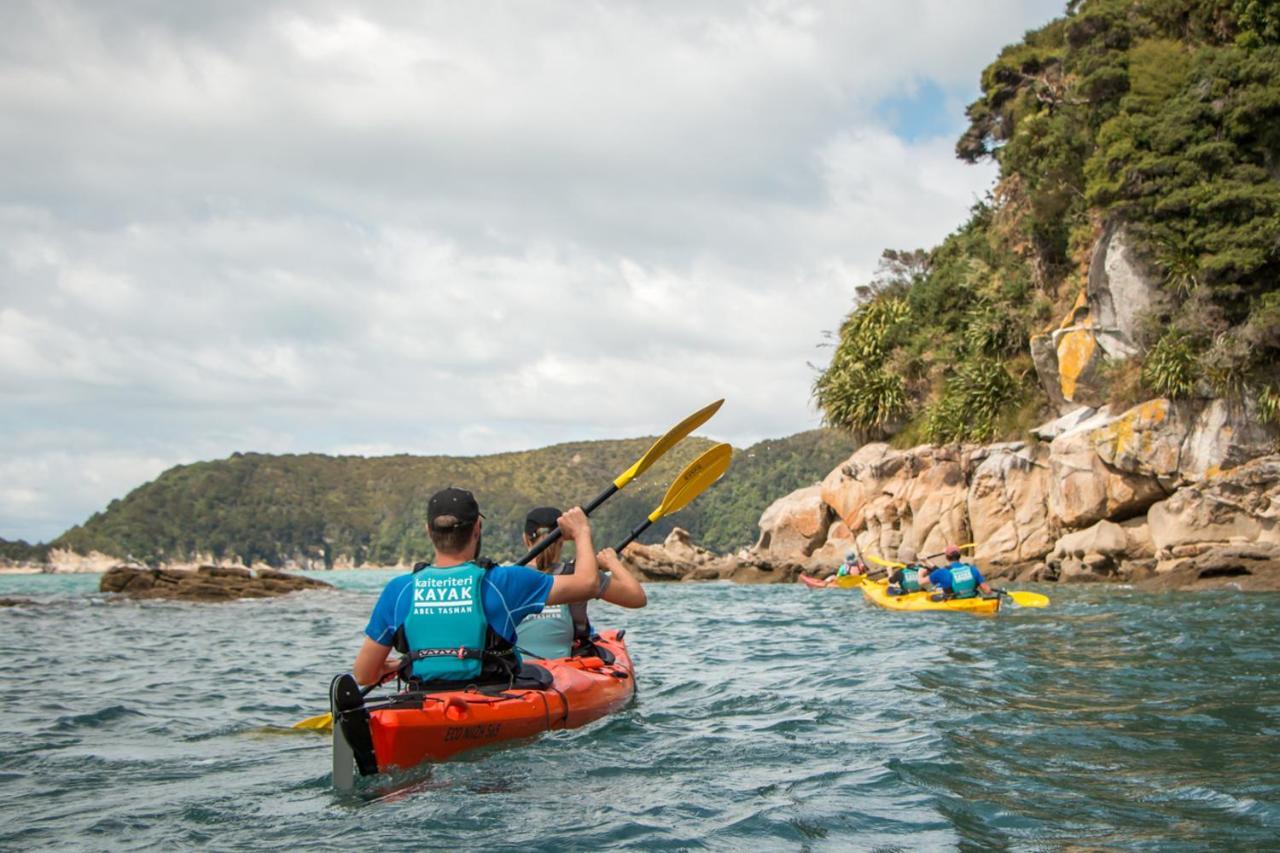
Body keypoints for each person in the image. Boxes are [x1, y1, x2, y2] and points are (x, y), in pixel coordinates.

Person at [351, 488, 603, 688]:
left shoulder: (399, 590)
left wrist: (394, 666)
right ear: (477, 529)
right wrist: (581, 532)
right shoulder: (505, 581)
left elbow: (364, 675)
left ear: (429, 531)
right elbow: (588, 583)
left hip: (425, 698)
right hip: (493, 695)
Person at [515, 506, 647, 659]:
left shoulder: (504, 577)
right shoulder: (581, 577)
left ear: (525, 538)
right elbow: (637, 598)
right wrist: (612, 562)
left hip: (517, 673)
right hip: (568, 671)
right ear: (563, 540)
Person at [927, 546, 995, 599]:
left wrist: (921, 569)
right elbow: (988, 591)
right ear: (960, 556)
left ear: (947, 557)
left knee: (935, 593)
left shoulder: (943, 572)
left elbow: (921, 582)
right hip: (972, 600)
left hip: (954, 603)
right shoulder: (972, 569)